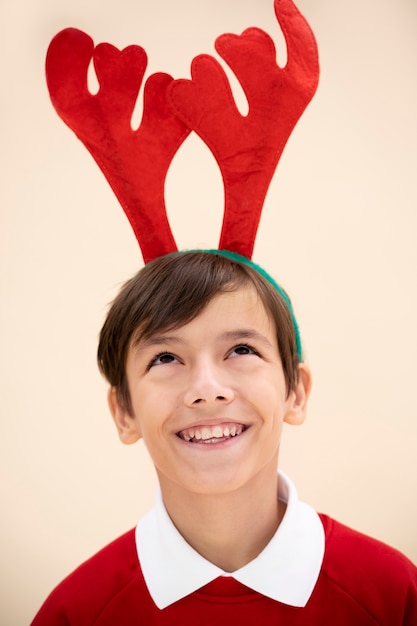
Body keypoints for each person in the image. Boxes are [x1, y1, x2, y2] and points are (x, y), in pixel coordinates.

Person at [31, 250, 417, 625]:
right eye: (165, 357)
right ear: (124, 413)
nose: (207, 389)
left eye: (241, 350)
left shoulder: (392, 593)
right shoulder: (77, 611)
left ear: (295, 393)